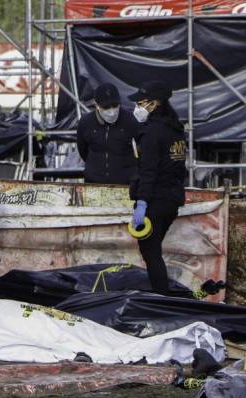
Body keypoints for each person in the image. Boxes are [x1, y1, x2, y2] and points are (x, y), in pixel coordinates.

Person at [128, 81, 187, 295]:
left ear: (155, 104)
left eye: (141, 103)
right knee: (154, 251)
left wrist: (142, 202)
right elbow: (180, 168)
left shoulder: (152, 132)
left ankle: (162, 299)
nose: (137, 107)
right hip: (172, 199)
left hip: (155, 199)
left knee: (151, 253)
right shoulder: (176, 130)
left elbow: (148, 171)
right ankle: (160, 294)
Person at [77, 82, 139, 184]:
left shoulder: (130, 120)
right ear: (96, 105)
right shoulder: (86, 123)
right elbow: (83, 150)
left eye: (115, 105)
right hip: (94, 183)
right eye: (106, 107)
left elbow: (141, 149)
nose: (112, 111)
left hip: (125, 184)